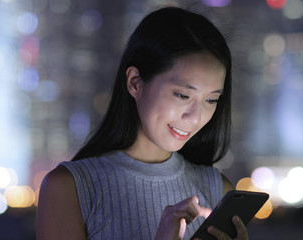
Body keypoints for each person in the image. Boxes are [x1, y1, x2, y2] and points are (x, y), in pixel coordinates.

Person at [36, 6, 248, 240]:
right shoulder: (70, 189)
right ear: (135, 82)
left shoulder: (218, 189)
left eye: (211, 100)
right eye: (182, 95)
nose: (195, 117)